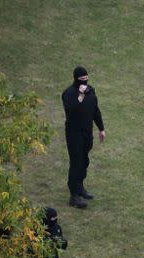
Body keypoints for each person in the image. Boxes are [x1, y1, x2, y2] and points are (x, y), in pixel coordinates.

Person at [61, 66, 105, 208]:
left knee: (84, 161)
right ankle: (74, 195)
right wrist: (80, 96)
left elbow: (95, 110)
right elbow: (70, 110)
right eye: (82, 80)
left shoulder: (91, 91)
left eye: (87, 80)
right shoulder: (68, 94)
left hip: (87, 133)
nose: (85, 83)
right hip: (74, 135)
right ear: (76, 80)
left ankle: (80, 187)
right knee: (76, 164)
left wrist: (101, 128)